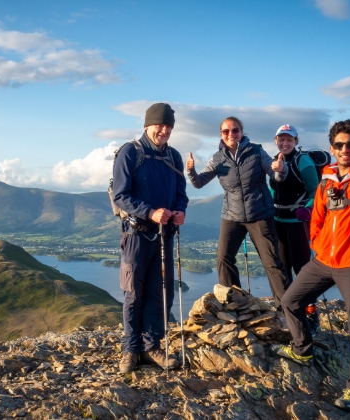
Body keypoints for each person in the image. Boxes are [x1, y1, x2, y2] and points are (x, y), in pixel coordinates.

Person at [272, 119, 350, 411]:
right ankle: (302, 350)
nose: (345, 149)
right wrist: (316, 243)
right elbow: (318, 213)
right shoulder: (327, 176)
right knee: (290, 301)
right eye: (339, 145)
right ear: (332, 148)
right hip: (324, 261)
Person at [111, 102, 188, 374]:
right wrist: (149, 212)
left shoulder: (173, 157)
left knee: (160, 293)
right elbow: (121, 195)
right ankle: (130, 349)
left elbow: (181, 192)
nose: (164, 130)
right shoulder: (130, 152)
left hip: (164, 235)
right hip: (136, 235)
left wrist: (180, 211)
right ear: (147, 126)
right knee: (133, 294)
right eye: (159, 125)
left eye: (168, 126)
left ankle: (151, 345)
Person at [186, 117, 290, 308]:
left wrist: (281, 169)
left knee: (271, 262)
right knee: (223, 257)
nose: (231, 134)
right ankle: (234, 304)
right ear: (221, 135)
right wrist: (191, 171)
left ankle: (286, 309)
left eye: (235, 130)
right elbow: (199, 183)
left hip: (260, 213)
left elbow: (275, 174)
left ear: (242, 132)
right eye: (226, 131)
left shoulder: (256, 151)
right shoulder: (218, 158)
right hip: (232, 215)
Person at [269, 124, 319, 281]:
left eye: (289, 140)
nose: (285, 143)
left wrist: (309, 208)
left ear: (296, 141)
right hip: (278, 221)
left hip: (298, 221)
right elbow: (273, 190)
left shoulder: (303, 161)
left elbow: (316, 190)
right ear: (275, 140)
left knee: (301, 265)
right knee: (282, 266)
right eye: (281, 139)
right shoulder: (274, 161)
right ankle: (288, 303)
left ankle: (307, 304)